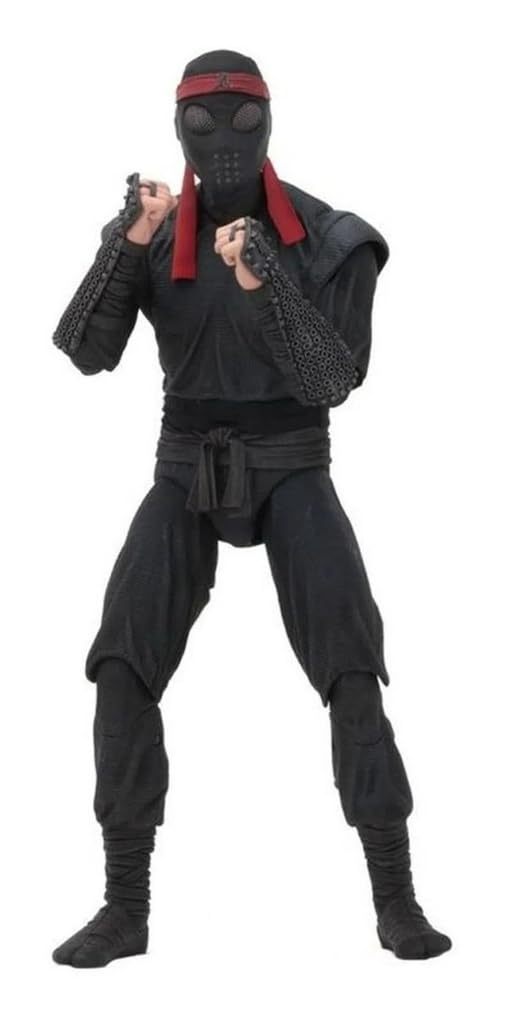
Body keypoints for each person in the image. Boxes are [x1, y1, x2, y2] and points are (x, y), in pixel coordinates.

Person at [51, 48, 451, 967]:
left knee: (351, 668)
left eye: (241, 119)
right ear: (177, 126)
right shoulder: (156, 233)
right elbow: (84, 351)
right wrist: (127, 244)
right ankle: (124, 907)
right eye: (203, 121)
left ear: (269, 121)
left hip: (292, 460)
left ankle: (395, 897)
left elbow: (332, 379)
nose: (223, 138)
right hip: (183, 461)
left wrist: (266, 280)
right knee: (120, 662)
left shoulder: (329, 236)